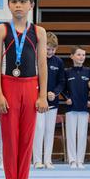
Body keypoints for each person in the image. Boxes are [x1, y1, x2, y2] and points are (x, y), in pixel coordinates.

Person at [0, 0, 48, 179]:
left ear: (31, 6)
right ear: (8, 5)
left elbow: (42, 65)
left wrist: (43, 95)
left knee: (27, 138)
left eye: (23, 2)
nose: (18, 5)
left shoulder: (39, 32)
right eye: (14, 1)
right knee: (10, 137)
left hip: (30, 86)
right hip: (8, 86)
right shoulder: (1, 30)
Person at [33, 32, 64, 170]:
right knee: (39, 130)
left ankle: (48, 160)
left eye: (52, 49)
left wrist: (55, 93)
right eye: (47, 48)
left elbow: (61, 81)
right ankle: (37, 160)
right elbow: (32, 80)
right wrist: (41, 94)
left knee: (49, 131)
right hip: (38, 102)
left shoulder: (58, 62)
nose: (50, 51)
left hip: (53, 103)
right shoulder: (35, 60)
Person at [63, 45, 90, 169]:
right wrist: (66, 98)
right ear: (72, 56)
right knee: (71, 134)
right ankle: (72, 160)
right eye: (79, 54)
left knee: (82, 135)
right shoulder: (67, 72)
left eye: (83, 55)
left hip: (84, 108)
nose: (81, 57)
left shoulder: (89, 71)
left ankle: (80, 160)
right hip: (71, 108)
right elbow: (62, 88)